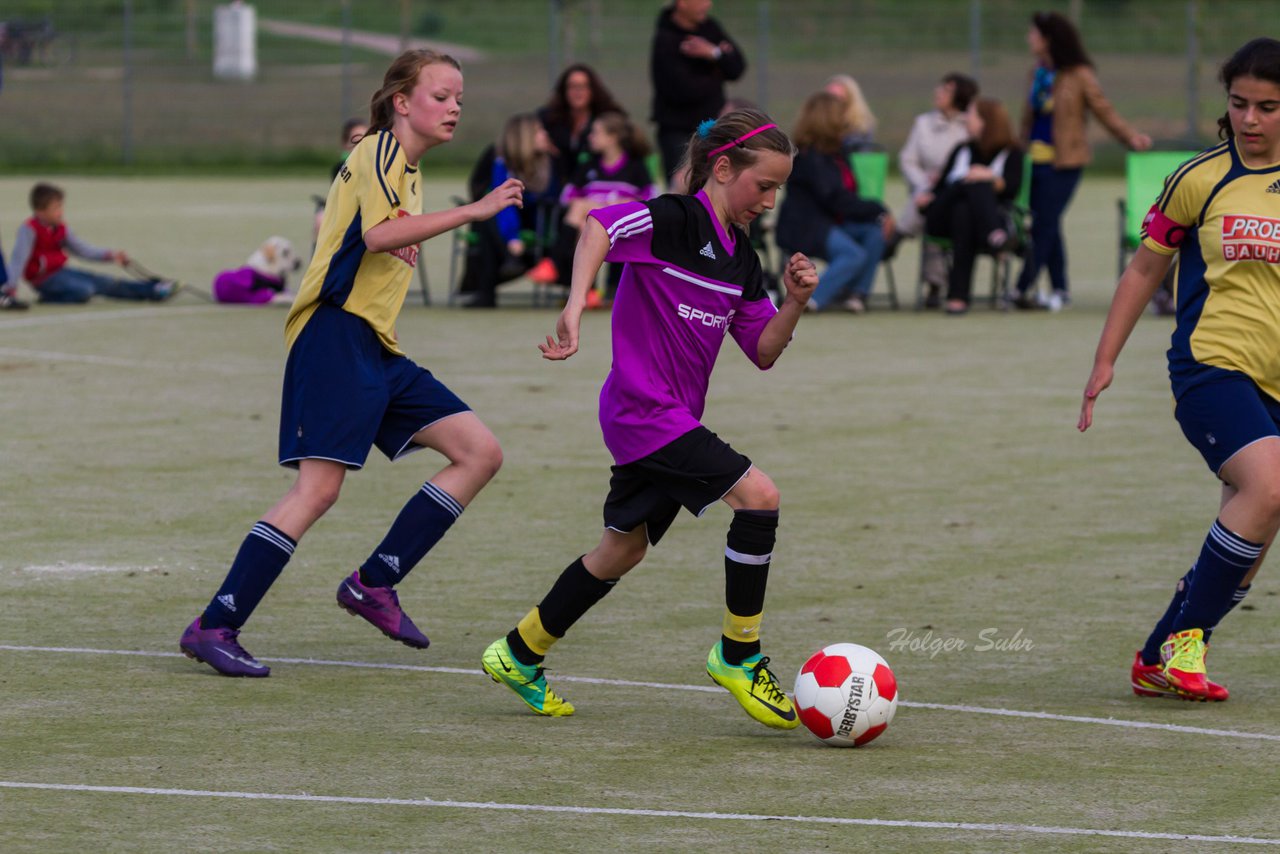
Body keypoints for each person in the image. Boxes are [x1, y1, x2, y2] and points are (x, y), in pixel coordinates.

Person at [179, 48, 525, 677]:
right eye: (441, 96)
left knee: (479, 452)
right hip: (334, 335)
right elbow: (378, 236)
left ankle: (375, 582)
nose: (453, 108)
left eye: (459, 100)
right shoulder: (378, 151)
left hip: (377, 347)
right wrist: (474, 211)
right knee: (318, 489)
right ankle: (215, 624)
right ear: (402, 102)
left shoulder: (406, 168)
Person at [480, 109, 819, 730]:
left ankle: (519, 651)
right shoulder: (670, 218)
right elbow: (597, 228)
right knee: (759, 498)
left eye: (777, 190)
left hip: (670, 417)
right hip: (643, 412)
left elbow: (764, 350)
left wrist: (794, 303)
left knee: (622, 549)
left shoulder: (742, 259)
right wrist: (576, 304)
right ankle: (739, 655)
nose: (769, 202)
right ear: (722, 169)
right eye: (762, 186)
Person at [1078, 37, 1280, 703]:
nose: (1250, 120)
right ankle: (1181, 640)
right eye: (1240, 104)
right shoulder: (1201, 178)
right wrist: (1105, 359)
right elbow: (1144, 268)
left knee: (1255, 517)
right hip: (1210, 368)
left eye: (1269, 108)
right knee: (1271, 488)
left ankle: (1160, 654)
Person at [1013, 10, 1152, 311]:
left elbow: (1104, 110)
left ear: (1048, 39)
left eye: (1034, 34)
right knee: (1046, 222)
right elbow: (1028, 119)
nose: (1029, 39)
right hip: (1034, 161)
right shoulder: (1036, 72)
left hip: (1066, 161)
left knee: (1044, 223)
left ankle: (1021, 286)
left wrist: (1130, 137)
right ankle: (1060, 288)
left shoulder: (1079, 75)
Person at [775, 91, 892, 314]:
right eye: (841, 114)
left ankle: (855, 294)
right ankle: (808, 301)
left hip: (830, 222)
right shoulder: (810, 157)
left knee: (873, 233)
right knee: (853, 255)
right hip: (805, 227)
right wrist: (879, 209)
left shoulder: (837, 154)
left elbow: (845, 199)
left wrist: (879, 215)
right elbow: (836, 200)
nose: (846, 120)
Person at [534, 110, 658, 296]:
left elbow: (650, 200)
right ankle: (588, 292)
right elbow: (567, 196)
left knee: (583, 209)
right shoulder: (588, 166)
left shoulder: (635, 167)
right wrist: (596, 204)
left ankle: (555, 264)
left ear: (612, 137)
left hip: (621, 226)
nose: (590, 137)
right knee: (582, 214)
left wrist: (613, 203)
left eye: (596, 133)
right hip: (590, 223)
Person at [921, 97, 1024, 314]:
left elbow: (1012, 189)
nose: (966, 119)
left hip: (972, 223)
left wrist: (992, 179)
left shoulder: (1012, 153)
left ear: (986, 121)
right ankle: (996, 236)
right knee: (971, 183)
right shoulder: (961, 150)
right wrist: (977, 178)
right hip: (941, 218)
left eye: (971, 114)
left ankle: (958, 297)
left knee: (964, 212)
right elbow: (938, 191)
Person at [457, 113, 561, 308]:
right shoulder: (501, 161)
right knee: (492, 213)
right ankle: (509, 256)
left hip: (538, 220)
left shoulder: (549, 161)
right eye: (539, 131)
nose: (545, 134)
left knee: (496, 216)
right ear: (525, 137)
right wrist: (512, 235)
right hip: (505, 221)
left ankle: (492, 283)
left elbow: (553, 196)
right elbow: (501, 196)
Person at [8, 183, 175, 304]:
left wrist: (110, 255)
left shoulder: (61, 228)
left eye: (61, 206)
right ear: (40, 212)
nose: (61, 211)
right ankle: (49, 298)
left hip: (61, 272)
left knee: (104, 282)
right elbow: (18, 260)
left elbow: (82, 250)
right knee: (84, 290)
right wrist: (10, 288)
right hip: (44, 280)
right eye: (56, 208)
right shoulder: (29, 230)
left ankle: (152, 290)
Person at [896, 72, 979, 307]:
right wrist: (925, 183)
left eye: (945, 91)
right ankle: (934, 282)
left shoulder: (970, 126)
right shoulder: (923, 123)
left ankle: (899, 234)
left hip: (958, 192)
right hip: (925, 187)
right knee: (927, 204)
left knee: (931, 207)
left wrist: (941, 185)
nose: (937, 93)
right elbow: (907, 160)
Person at [650, 0, 746, 186]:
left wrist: (714, 53)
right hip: (677, 131)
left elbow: (737, 68)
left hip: (712, 128)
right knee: (684, 186)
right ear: (682, 3)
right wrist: (717, 71)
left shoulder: (710, 28)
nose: (707, 5)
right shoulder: (666, 38)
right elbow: (681, 90)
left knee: (719, 185)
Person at [537, 63, 626, 188]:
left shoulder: (605, 118)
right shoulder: (549, 119)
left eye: (583, 86)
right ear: (564, 91)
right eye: (572, 86)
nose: (578, 92)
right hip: (556, 181)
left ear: (593, 90)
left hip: (595, 184)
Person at [824, 74, 879, 153]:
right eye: (828, 98)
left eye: (838, 98)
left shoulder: (861, 124)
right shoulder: (818, 122)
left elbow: (862, 153)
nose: (833, 102)